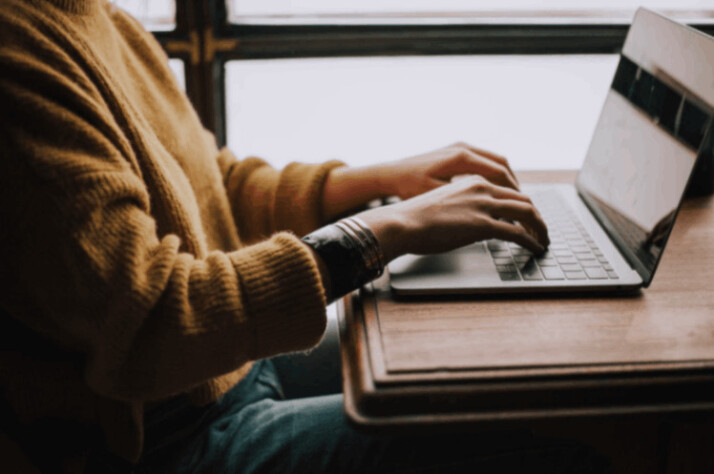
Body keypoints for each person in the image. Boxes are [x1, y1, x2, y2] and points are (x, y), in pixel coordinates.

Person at [0, 1, 610, 472]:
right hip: (162, 442)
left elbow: (213, 183)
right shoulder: (19, 59)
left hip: (225, 370)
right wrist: (379, 232)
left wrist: (380, 180)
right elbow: (155, 321)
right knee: (547, 436)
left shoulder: (97, 17)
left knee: (503, 368)